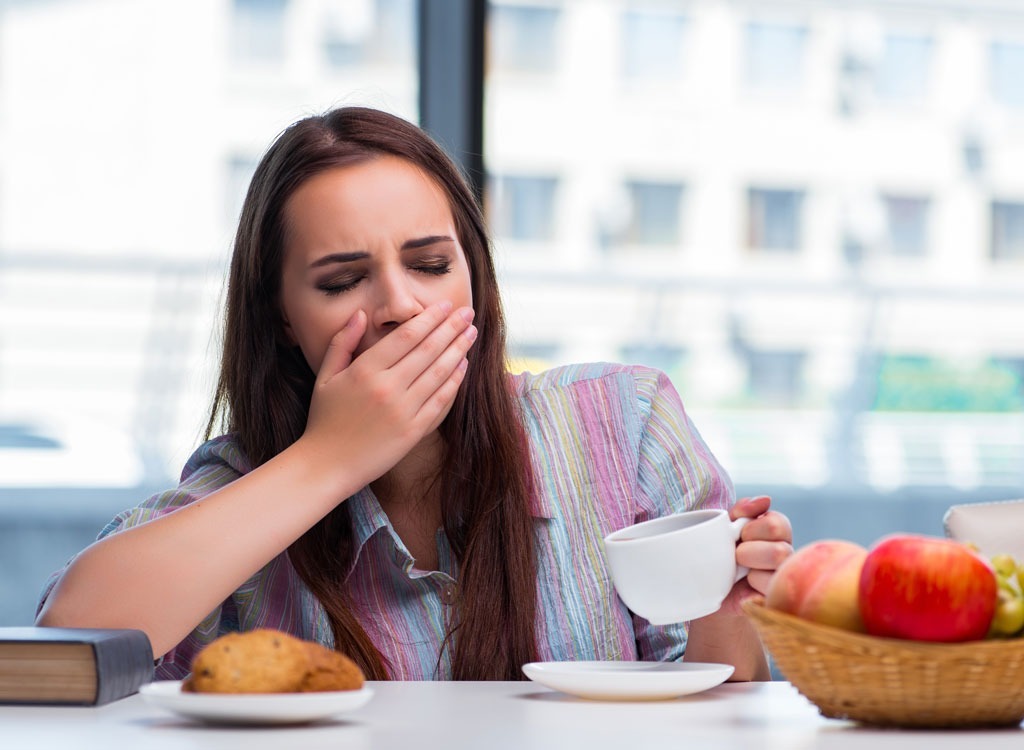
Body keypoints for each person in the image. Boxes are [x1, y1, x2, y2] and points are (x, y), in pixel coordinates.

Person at [36, 107, 793, 682]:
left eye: (431, 265)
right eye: (340, 281)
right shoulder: (247, 486)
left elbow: (714, 703)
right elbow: (72, 637)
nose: (399, 305)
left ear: (476, 282)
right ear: (283, 317)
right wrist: (331, 458)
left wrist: (722, 607)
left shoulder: (625, 422)